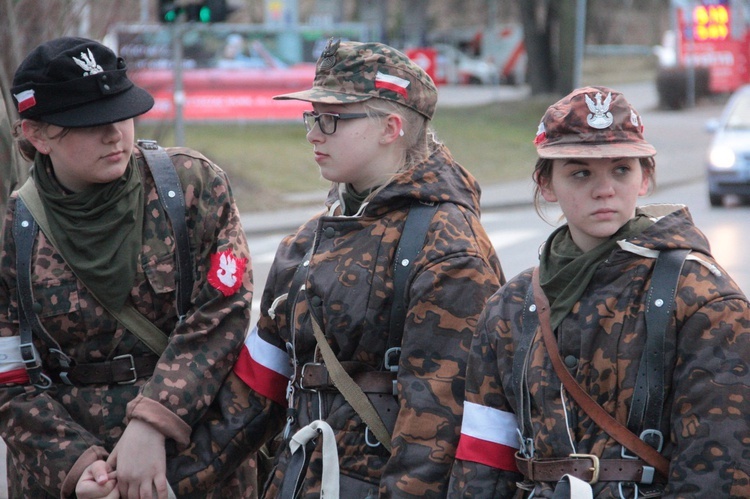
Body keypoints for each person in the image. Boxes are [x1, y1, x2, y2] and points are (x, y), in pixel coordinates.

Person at [229, 39, 504, 497]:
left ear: (391, 127)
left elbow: (434, 435)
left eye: (331, 119)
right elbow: (252, 395)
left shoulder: (447, 246)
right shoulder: (308, 239)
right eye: (311, 117)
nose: (313, 133)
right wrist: (161, 477)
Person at [448, 86, 750, 497]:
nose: (604, 189)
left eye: (621, 170)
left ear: (645, 178)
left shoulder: (701, 298)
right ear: (546, 183)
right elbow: (484, 459)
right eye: (581, 172)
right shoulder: (510, 305)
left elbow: (720, 470)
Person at [0, 37, 255, 498]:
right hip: (73, 474)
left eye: (121, 112)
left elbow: (223, 314)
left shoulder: (190, 185)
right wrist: (75, 468)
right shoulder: (11, 231)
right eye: (89, 122)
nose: (114, 132)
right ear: (37, 135)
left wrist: (153, 419)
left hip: (195, 458)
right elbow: (8, 376)